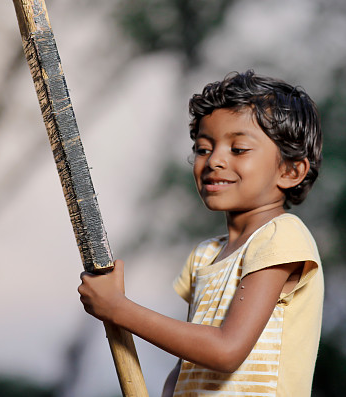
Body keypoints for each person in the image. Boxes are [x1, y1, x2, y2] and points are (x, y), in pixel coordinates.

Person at [78, 70, 324, 396]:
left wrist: (119, 309)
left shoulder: (280, 237)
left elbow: (226, 351)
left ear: (290, 170)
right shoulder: (205, 256)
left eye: (238, 149)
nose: (214, 161)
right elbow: (187, 367)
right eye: (204, 148)